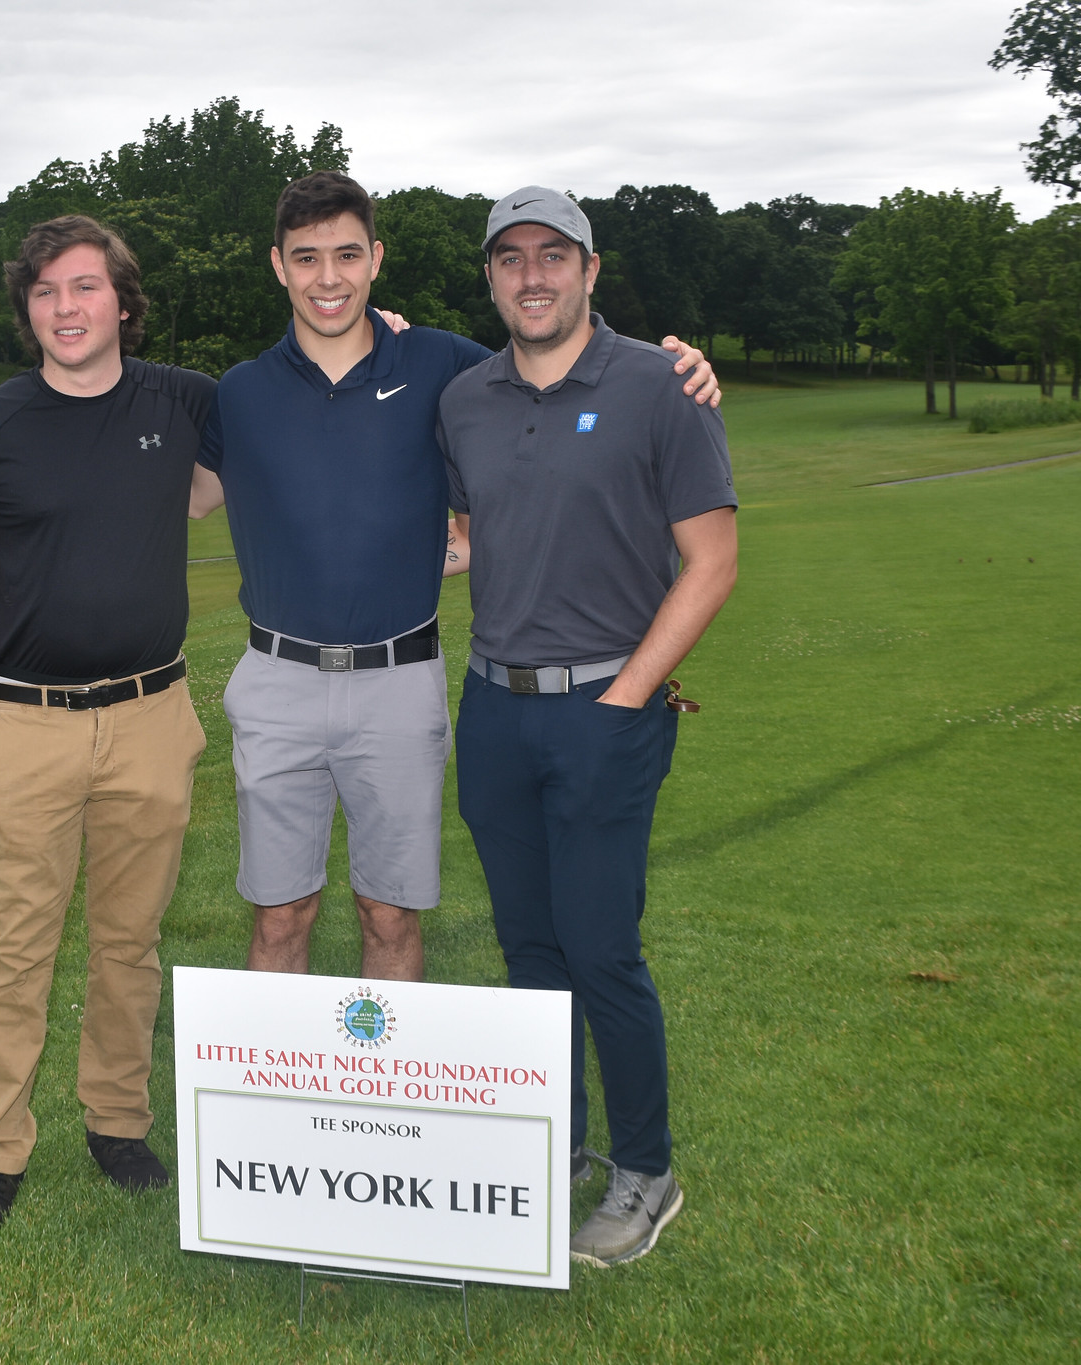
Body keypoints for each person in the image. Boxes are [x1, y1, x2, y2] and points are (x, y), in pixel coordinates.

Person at [190, 171, 718, 982]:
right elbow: (184, 496)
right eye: (306, 258)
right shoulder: (241, 392)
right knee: (279, 912)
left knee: (389, 910)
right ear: (277, 265)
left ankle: (385, 1073)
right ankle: (278, 1073)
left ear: (376, 260)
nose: (328, 278)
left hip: (399, 681)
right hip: (277, 682)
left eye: (347, 255)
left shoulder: (440, 363)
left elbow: (552, 364)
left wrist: (678, 367)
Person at [437, 188, 739, 1268]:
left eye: (553, 255)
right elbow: (471, 536)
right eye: (511, 258)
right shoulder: (464, 397)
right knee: (529, 945)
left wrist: (626, 696)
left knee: (601, 949)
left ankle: (645, 1170)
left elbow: (712, 561)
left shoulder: (660, 384)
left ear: (590, 270)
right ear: (490, 277)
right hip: (492, 708)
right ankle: (553, 1141)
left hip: (606, 706)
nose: (533, 276)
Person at [0, 215, 214, 1237]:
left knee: (129, 945)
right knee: (15, 953)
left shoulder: (184, 401)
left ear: (123, 301)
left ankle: (117, 1125)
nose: (65, 308)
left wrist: (385, 335)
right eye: (45, 291)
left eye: (85, 286)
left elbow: (296, 415)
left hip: (151, 718)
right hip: (25, 726)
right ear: (27, 308)